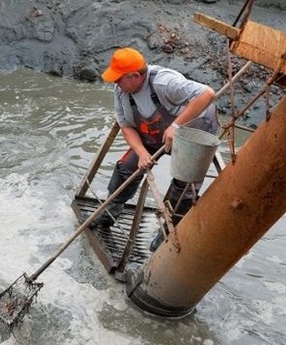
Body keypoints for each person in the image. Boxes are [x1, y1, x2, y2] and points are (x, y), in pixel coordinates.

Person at [90, 47, 219, 251]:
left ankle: (167, 231)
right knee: (126, 167)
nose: (115, 83)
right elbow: (126, 126)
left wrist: (176, 126)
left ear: (135, 76)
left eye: (119, 78)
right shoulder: (121, 91)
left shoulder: (163, 82)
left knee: (183, 185)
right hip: (154, 131)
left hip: (195, 128)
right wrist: (141, 153)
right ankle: (110, 212)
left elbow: (207, 94)